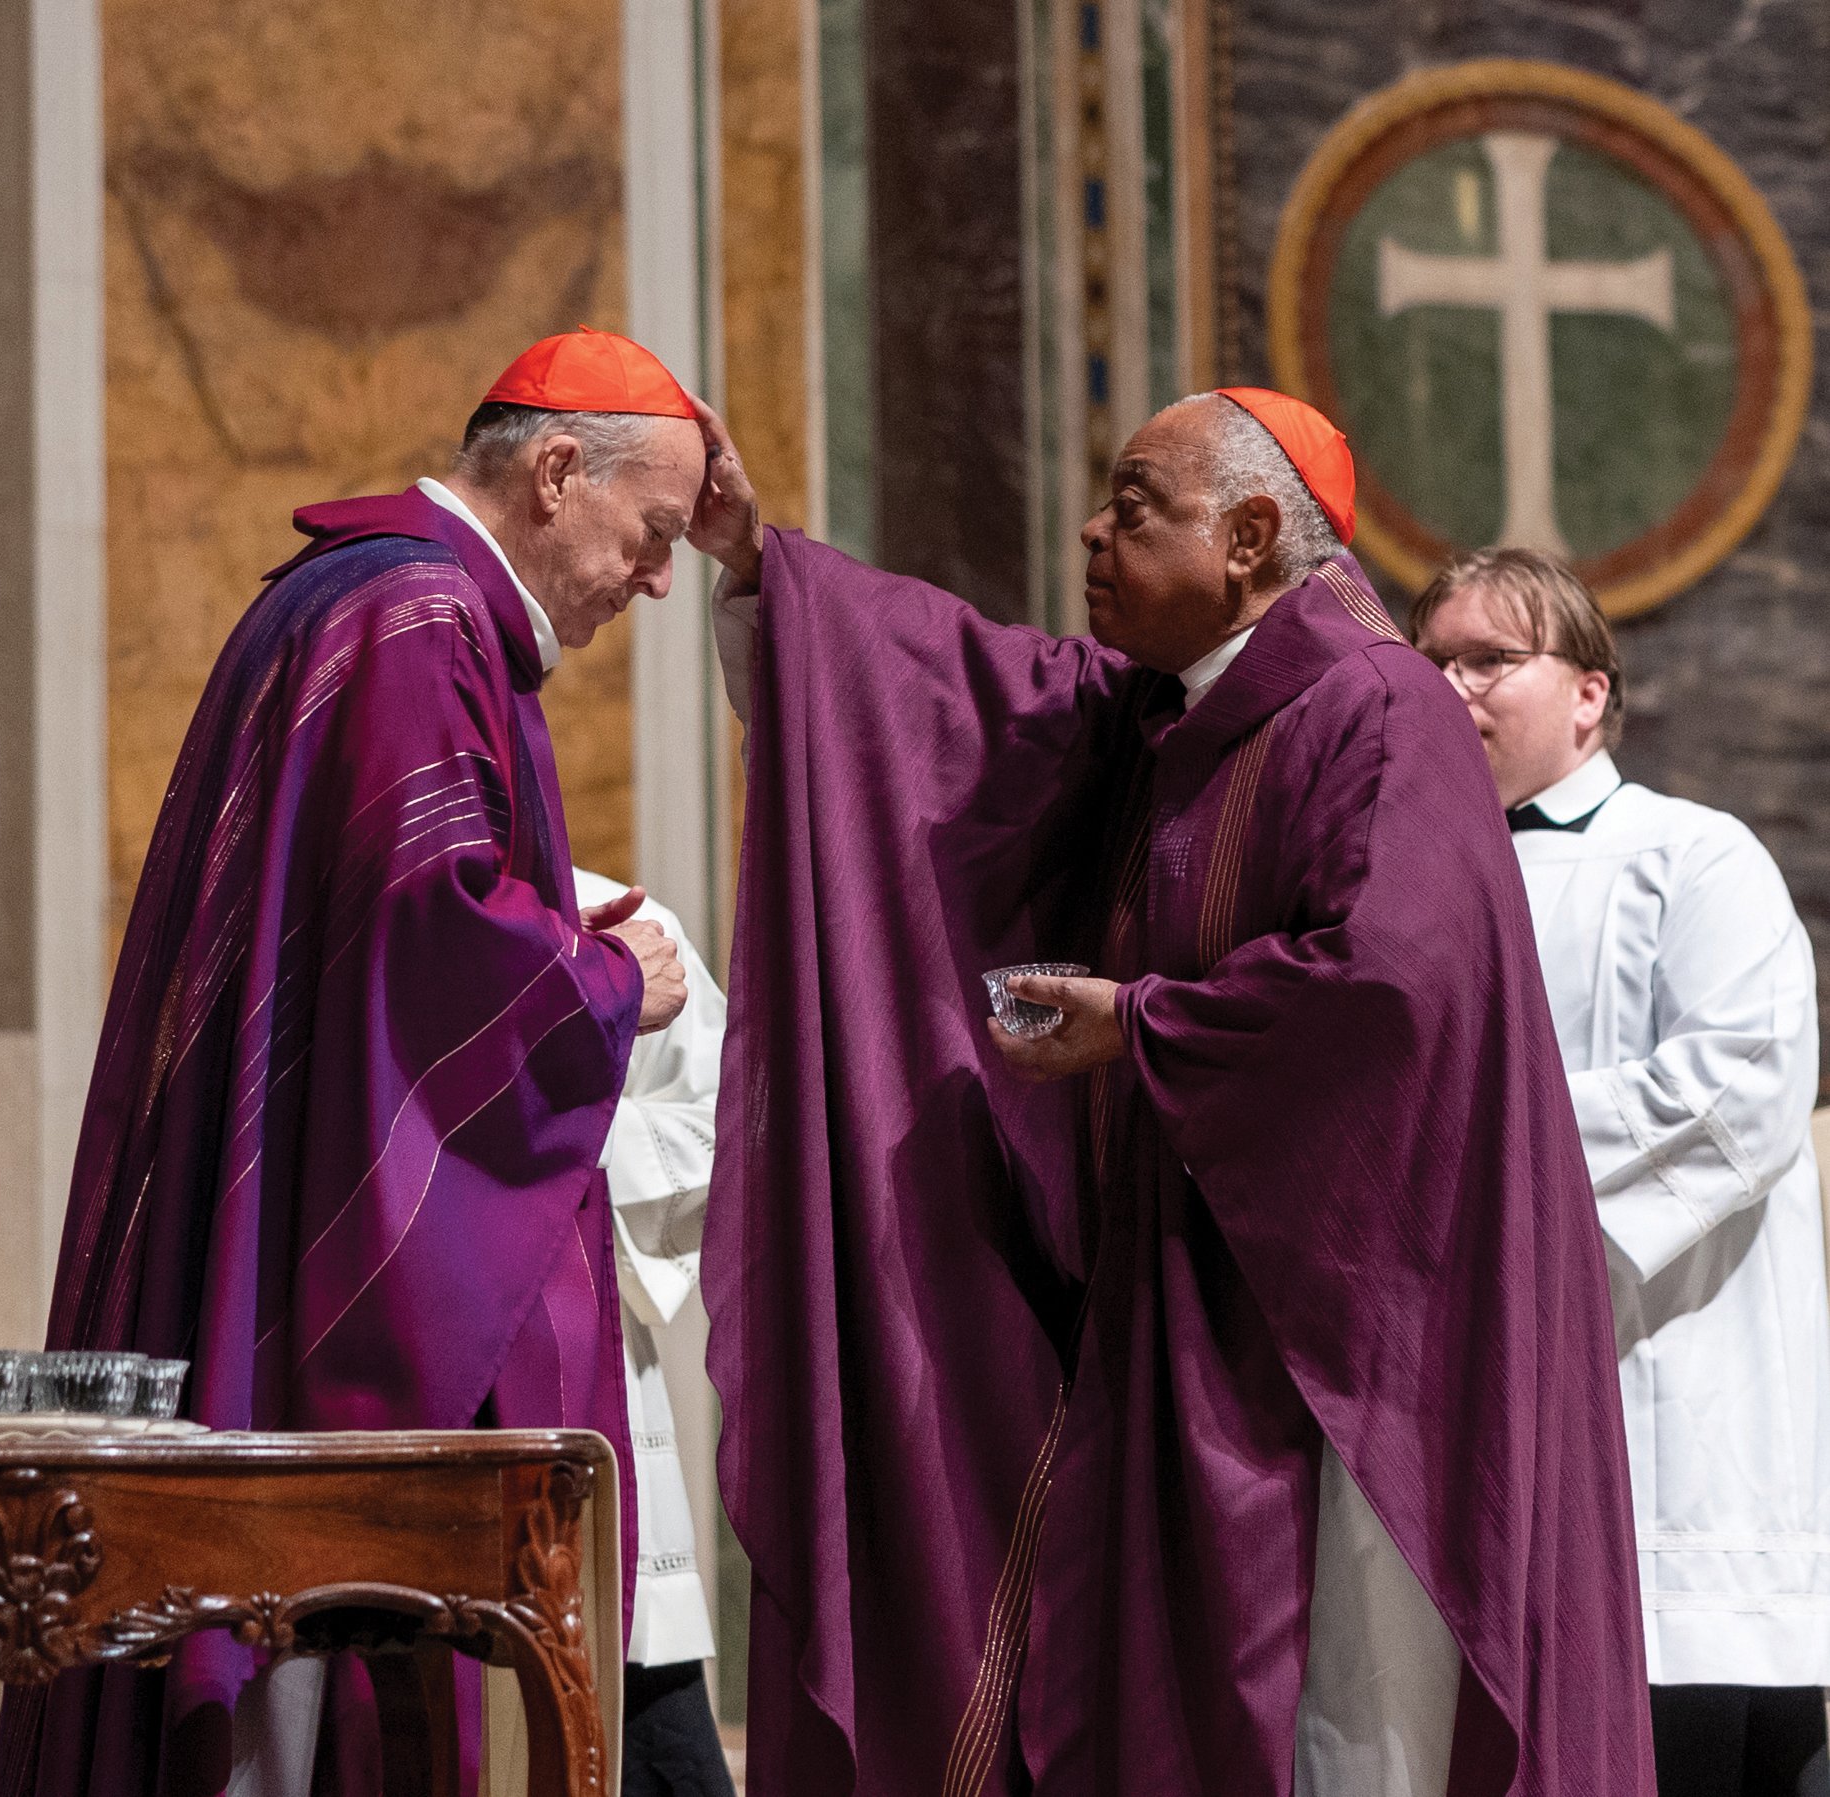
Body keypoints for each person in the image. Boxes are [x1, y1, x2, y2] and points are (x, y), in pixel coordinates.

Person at [686, 389, 1652, 1794]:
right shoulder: (1164, 711)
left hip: (1354, 1345)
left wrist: (1136, 1024)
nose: (1089, 530)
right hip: (1190, 1312)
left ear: (1250, 536)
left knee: (1344, 1719)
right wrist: (762, 569)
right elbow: (950, 700)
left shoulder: (1374, 711)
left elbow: (1387, 989)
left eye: (1134, 506)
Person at [0, 329, 704, 1797]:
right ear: (560, 472)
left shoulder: (359, 594)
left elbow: (381, 920)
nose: (655, 579)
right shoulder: (420, 618)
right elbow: (430, 949)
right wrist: (612, 978)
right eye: (653, 533)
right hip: (320, 1317)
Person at [1412, 549, 1830, 1797]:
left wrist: (1462, 1156)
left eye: (1489, 659)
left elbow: (1737, 1086)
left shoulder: (1689, 857)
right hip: (1466, 1430)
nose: (1450, 688)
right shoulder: (1399, 888)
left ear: (1588, 694)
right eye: (1430, 662)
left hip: (1673, 1418)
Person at [571, 866, 737, 1797]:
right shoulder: (357, 926)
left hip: (590, 1397)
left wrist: (552, 1140)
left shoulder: (618, 922)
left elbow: (721, 1123)